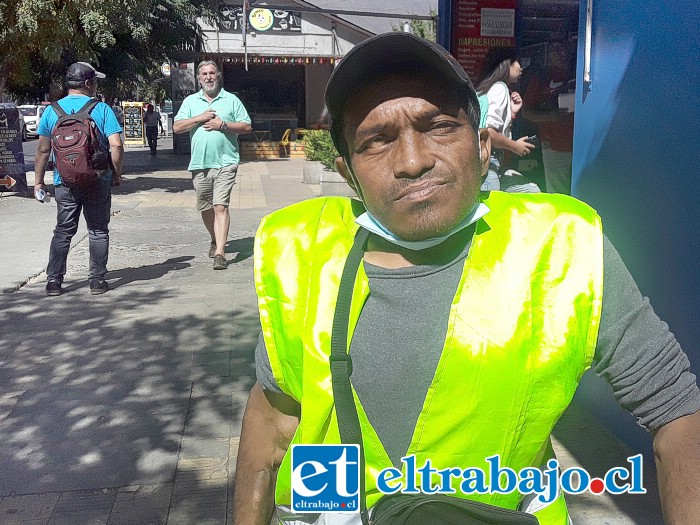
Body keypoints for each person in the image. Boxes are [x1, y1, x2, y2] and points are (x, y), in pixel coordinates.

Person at [232, 33, 700, 525]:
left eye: (437, 127)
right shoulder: (304, 254)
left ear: (481, 148)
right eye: (377, 141)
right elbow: (271, 421)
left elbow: (677, 408)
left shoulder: (560, 248)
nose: (412, 161)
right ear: (348, 173)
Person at [34, 62, 124, 296]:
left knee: (63, 231)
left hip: (64, 182)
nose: (95, 86)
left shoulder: (52, 111)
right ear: (87, 84)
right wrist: (115, 172)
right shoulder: (101, 109)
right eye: (94, 81)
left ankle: (54, 282)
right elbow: (116, 144)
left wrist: (39, 181)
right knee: (97, 230)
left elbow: (43, 151)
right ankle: (96, 282)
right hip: (97, 180)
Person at [173, 60, 252, 270]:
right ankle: (215, 238)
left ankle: (220, 254)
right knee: (206, 207)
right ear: (199, 79)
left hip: (227, 162)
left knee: (220, 205)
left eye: (212, 73)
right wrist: (199, 118)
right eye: (204, 74)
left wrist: (222, 125)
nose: (208, 77)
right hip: (200, 163)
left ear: (218, 76)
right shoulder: (191, 101)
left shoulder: (231, 100)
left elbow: (246, 126)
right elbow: (177, 127)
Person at [476, 48, 539, 193]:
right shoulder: (500, 88)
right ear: (506, 65)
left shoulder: (485, 88)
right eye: (516, 61)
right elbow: (489, 132)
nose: (520, 67)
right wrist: (515, 146)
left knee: (531, 191)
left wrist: (511, 113)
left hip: (488, 164)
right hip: (489, 164)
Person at [521, 40, 576, 194]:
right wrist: (552, 116)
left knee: (584, 190)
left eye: (563, 48)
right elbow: (526, 112)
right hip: (554, 145)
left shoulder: (580, 72)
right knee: (558, 193)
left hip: (582, 145)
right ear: (548, 53)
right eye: (554, 49)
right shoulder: (542, 77)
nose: (559, 53)